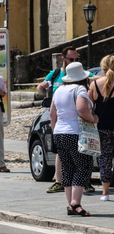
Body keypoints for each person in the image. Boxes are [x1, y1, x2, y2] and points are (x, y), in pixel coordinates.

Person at [37, 46, 96, 194]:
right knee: (78, 161)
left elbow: (98, 77)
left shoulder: (78, 72)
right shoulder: (55, 74)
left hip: (63, 127)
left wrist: (89, 78)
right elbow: (40, 90)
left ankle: (73, 196)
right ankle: (62, 185)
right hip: (66, 123)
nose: (74, 61)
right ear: (63, 59)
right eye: (71, 59)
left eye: (76, 59)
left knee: (71, 162)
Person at [50, 61, 99, 217]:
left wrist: (55, 131)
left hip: (60, 132)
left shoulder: (58, 90)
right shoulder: (80, 90)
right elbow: (82, 109)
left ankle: (70, 203)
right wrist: (93, 118)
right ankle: (75, 204)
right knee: (83, 166)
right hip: (76, 133)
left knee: (68, 168)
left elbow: (53, 114)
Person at [88, 54, 114, 201]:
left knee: (105, 159)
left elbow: (88, 106)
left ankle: (105, 193)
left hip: (102, 127)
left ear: (102, 68)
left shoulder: (95, 85)